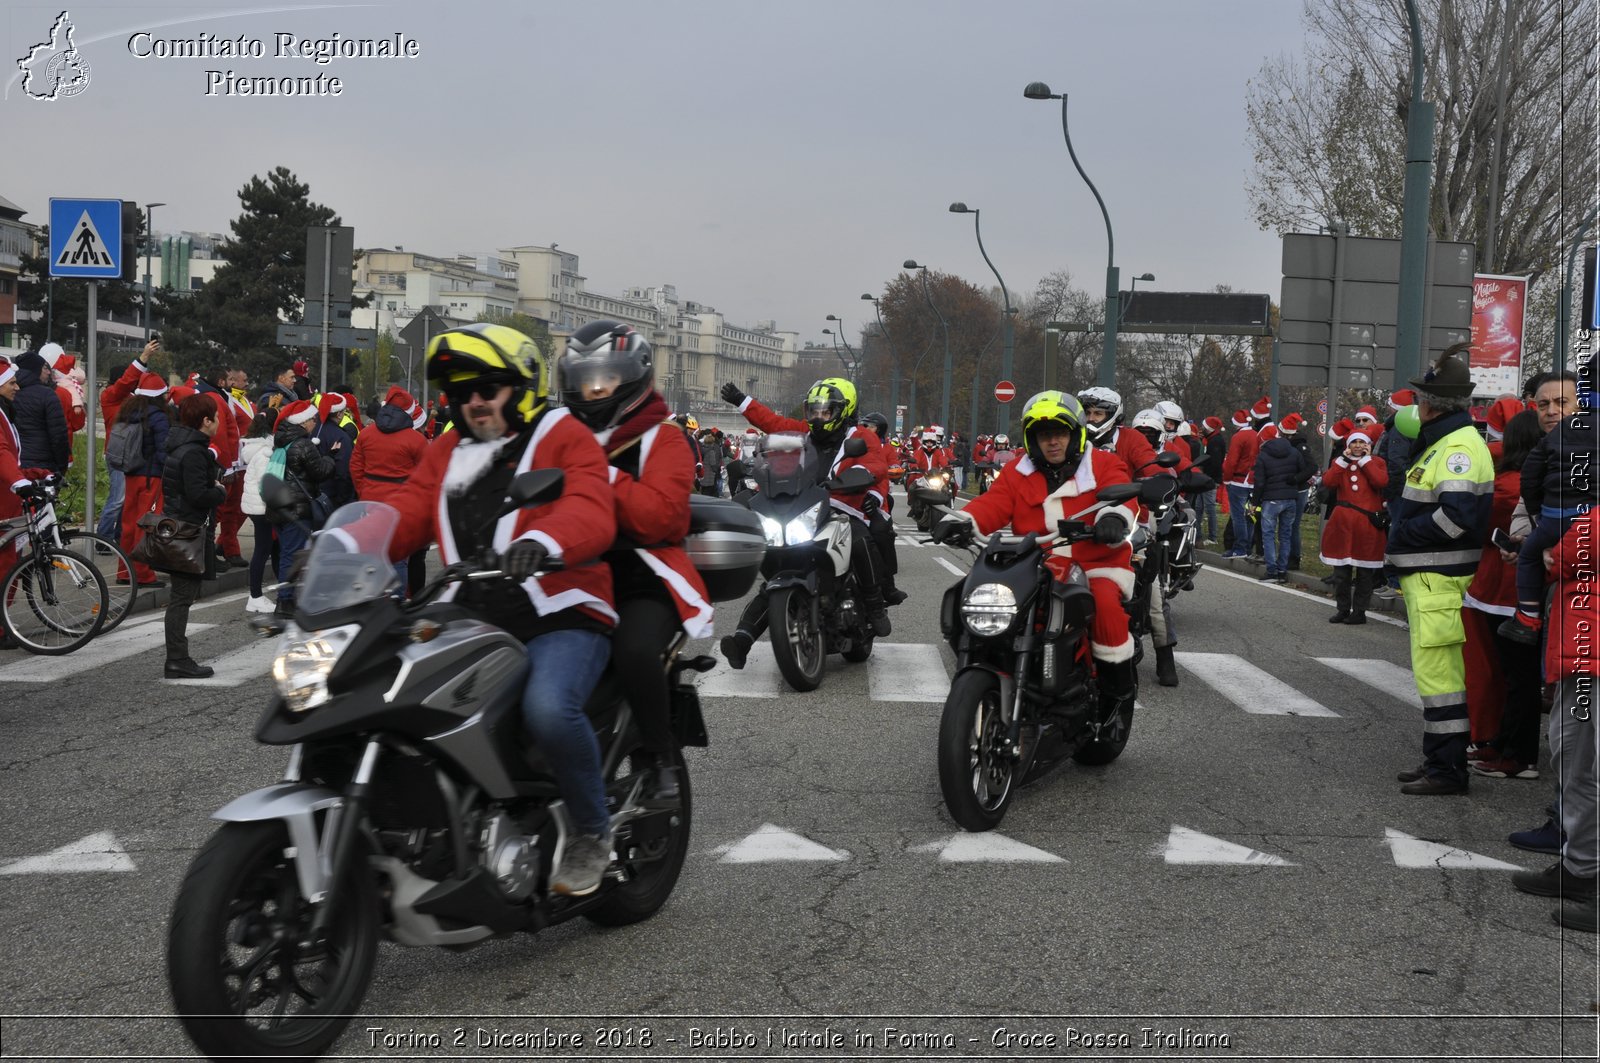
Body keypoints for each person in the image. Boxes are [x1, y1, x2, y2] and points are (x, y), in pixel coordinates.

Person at [379, 323, 618, 897]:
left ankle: (591, 831)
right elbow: (407, 509)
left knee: (548, 709)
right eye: (463, 392)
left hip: (559, 610)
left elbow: (591, 504)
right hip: (474, 614)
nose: (475, 401)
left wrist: (547, 543)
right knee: (393, 697)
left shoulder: (562, 433)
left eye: (488, 386)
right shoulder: (449, 448)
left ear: (524, 384)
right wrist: (340, 545)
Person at [559, 320, 711, 804]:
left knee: (635, 650)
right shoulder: (556, 437)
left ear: (632, 379)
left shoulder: (662, 440)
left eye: (602, 379)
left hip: (642, 576)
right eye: (582, 379)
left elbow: (661, 519)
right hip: (572, 575)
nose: (592, 390)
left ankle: (658, 753)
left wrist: (598, 474)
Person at [932, 390, 1140, 717]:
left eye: (1059, 433)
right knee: (974, 595)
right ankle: (984, 667)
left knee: (1103, 605)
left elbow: (1121, 496)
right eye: (1044, 435)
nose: (1052, 442)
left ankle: (1117, 694)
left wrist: (1112, 519)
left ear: (1075, 433)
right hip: (1034, 564)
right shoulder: (1018, 470)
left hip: (1094, 563)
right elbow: (991, 504)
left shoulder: (1102, 463)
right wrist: (959, 521)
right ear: (1032, 439)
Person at [717, 375, 893, 667]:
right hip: (805, 506)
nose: (818, 417)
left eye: (826, 411)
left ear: (844, 411)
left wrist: (863, 482)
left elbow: (874, 464)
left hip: (845, 504)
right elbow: (772, 425)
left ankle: (875, 605)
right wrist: (741, 400)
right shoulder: (803, 434)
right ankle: (742, 638)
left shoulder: (862, 436)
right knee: (779, 567)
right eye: (813, 410)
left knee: (859, 538)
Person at [1388, 345, 1494, 796]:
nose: (1415, 405)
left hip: (1440, 582)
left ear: (1432, 404)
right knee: (1435, 679)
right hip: (1432, 582)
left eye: (1419, 398)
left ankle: (1448, 770)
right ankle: (1438, 759)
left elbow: (1458, 520)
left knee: (1442, 682)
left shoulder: (1458, 449)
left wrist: (1402, 535)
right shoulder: (1447, 443)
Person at [1511, 504, 1599, 932]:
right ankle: (1581, 870)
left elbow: (1573, 549)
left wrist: (1555, 552)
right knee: (1572, 758)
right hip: (1581, 649)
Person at [1466, 410, 1545, 776]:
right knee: (1514, 674)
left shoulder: (1509, 484)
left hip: (1504, 587)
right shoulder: (1534, 478)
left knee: (1515, 676)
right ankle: (1502, 742)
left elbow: (1479, 524)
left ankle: (1518, 753)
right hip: (1516, 587)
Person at [1500, 370, 1592, 645]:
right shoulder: (1542, 453)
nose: (1551, 411)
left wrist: (1565, 551)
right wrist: (1523, 540)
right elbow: (1524, 508)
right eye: (1543, 405)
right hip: (1554, 592)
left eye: (1561, 403)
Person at [161, 394, 227, 679]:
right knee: (181, 598)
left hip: (179, 526)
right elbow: (198, 494)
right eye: (215, 416)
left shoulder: (182, 446)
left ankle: (178, 657)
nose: (219, 421)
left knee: (181, 596)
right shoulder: (194, 452)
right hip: (187, 531)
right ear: (205, 421)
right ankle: (177, 658)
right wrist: (219, 491)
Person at [350, 387, 430, 593]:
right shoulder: (416, 440)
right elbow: (427, 475)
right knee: (398, 559)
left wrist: (364, 490)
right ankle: (397, 604)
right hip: (400, 507)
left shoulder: (366, 434)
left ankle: (371, 599)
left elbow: (355, 467)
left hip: (370, 503)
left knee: (372, 555)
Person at [267, 400, 337, 617]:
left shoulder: (282, 442)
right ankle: (285, 601)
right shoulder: (303, 444)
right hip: (297, 507)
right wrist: (330, 457)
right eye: (312, 419)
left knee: (289, 552)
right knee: (293, 554)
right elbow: (320, 471)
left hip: (280, 506)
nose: (315, 422)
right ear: (303, 421)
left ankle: (291, 598)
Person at [1319, 426, 1388, 623]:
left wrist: (1366, 461)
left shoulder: (1378, 462)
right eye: (1354, 442)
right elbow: (1329, 481)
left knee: (1365, 573)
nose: (1358, 446)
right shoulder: (1339, 462)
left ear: (1369, 445)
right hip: (1342, 525)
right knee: (1341, 572)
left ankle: (1359, 612)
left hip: (1366, 526)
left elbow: (1380, 482)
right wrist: (1344, 460)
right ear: (1348, 445)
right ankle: (1342, 609)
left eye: (1362, 442)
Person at [117, 373, 173, 588]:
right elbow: (163, 451)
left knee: (129, 524)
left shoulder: (129, 411)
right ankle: (143, 574)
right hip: (152, 478)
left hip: (131, 474)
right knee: (147, 525)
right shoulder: (158, 417)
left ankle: (124, 571)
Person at [1250, 410, 1313, 583]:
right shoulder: (1294, 452)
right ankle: (1282, 570)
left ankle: (1271, 571)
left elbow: (1260, 482)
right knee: (1285, 535)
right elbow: (1303, 470)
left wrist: (1254, 503)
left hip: (1271, 499)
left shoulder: (1263, 455)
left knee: (1268, 535)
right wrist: (1294, 480)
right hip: (1291, 498)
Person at [239, 410, 279, 614]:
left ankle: (279, 594)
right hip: (262, 508)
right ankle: (255, 596)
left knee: (271, 548)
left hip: (258, 507)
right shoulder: (265, 453)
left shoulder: (257, 449)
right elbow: (267, 484)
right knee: (263, 551)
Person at [1221, 399, 1270, 558]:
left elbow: (1231, 462)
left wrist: (1227, 480)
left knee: (1238, 517)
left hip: (1238, 481)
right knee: (1250, 516)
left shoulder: (1238, 437)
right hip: (1253, 482)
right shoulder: (1256, 434)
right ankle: (1247, 547)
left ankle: (1240, 548)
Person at [10, 351, 69, 477]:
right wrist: (62, 467)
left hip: (13, 463)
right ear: (36, 369)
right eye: (45, 368)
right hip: (43, 466)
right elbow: (58, 436)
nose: (48, 372)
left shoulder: (8, 393)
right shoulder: (47, 395)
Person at [1198, 416, 1227, 543]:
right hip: (1207, 478)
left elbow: (1215, 463)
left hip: (1210, 479)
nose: (1201, 428)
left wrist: (1206, 477)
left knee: (1209, 508)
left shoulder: (1215, 442)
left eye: (1204, 427)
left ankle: (1213, 537)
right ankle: (1197, 534)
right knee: (1199, 507)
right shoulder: (1212, 440)